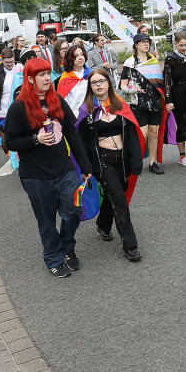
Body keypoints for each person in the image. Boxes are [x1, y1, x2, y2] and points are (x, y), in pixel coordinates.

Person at [4, 58, 93, 278]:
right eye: (41, 75)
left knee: (73, 212)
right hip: (35, 176)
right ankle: (54, 257)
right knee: (46, 221)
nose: (47, 78)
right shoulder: (19, 107)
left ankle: (67, 246)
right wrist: (36, 139)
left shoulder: (57, 101)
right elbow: (10, 143)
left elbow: (72, 133)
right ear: (30, 79)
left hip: (64, 170)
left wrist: (85, 165)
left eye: (47, 74)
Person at [77, 69, 145, 261]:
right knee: (120, 201)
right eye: (94, 82)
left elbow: (131, 134)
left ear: (108, 83)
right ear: (90, 87)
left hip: (122, 159)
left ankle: (103, 223)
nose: (98, 85)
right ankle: (130, 245)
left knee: (114, 194)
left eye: (101, 81)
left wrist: (136, 161)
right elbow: (82, 142)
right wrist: (85, 168)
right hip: (102, 161)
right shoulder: (87, 111)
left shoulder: (120, 105)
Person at [120, 32, 164, 174]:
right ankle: (135, 162)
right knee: (142, 134)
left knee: (153, 133)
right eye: (143, 42)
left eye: (148, 42)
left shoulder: (154, 61)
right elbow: (122, 85)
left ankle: (152, 163)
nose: (146, 44)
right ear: (136, 45)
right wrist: (133, 90)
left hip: (154, 102)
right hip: (137, 103)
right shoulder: (129, 62)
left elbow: (159, 83)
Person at [163, 32, 186, 167]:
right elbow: (166, 81)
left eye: (185, 45)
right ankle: (182, 155)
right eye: (180, 45)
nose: (183, 48)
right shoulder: (170, 59)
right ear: (175, 44)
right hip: (178, 93)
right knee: (182, 124)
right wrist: (168, 100)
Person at [57, 45, 90, 116]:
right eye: (76, 56)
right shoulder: (65, 78)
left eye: (82, 54)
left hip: (91, 115)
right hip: (74, 117)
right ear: (70, 58)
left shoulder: (91, 74)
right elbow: (62, 102)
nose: (80, 58)